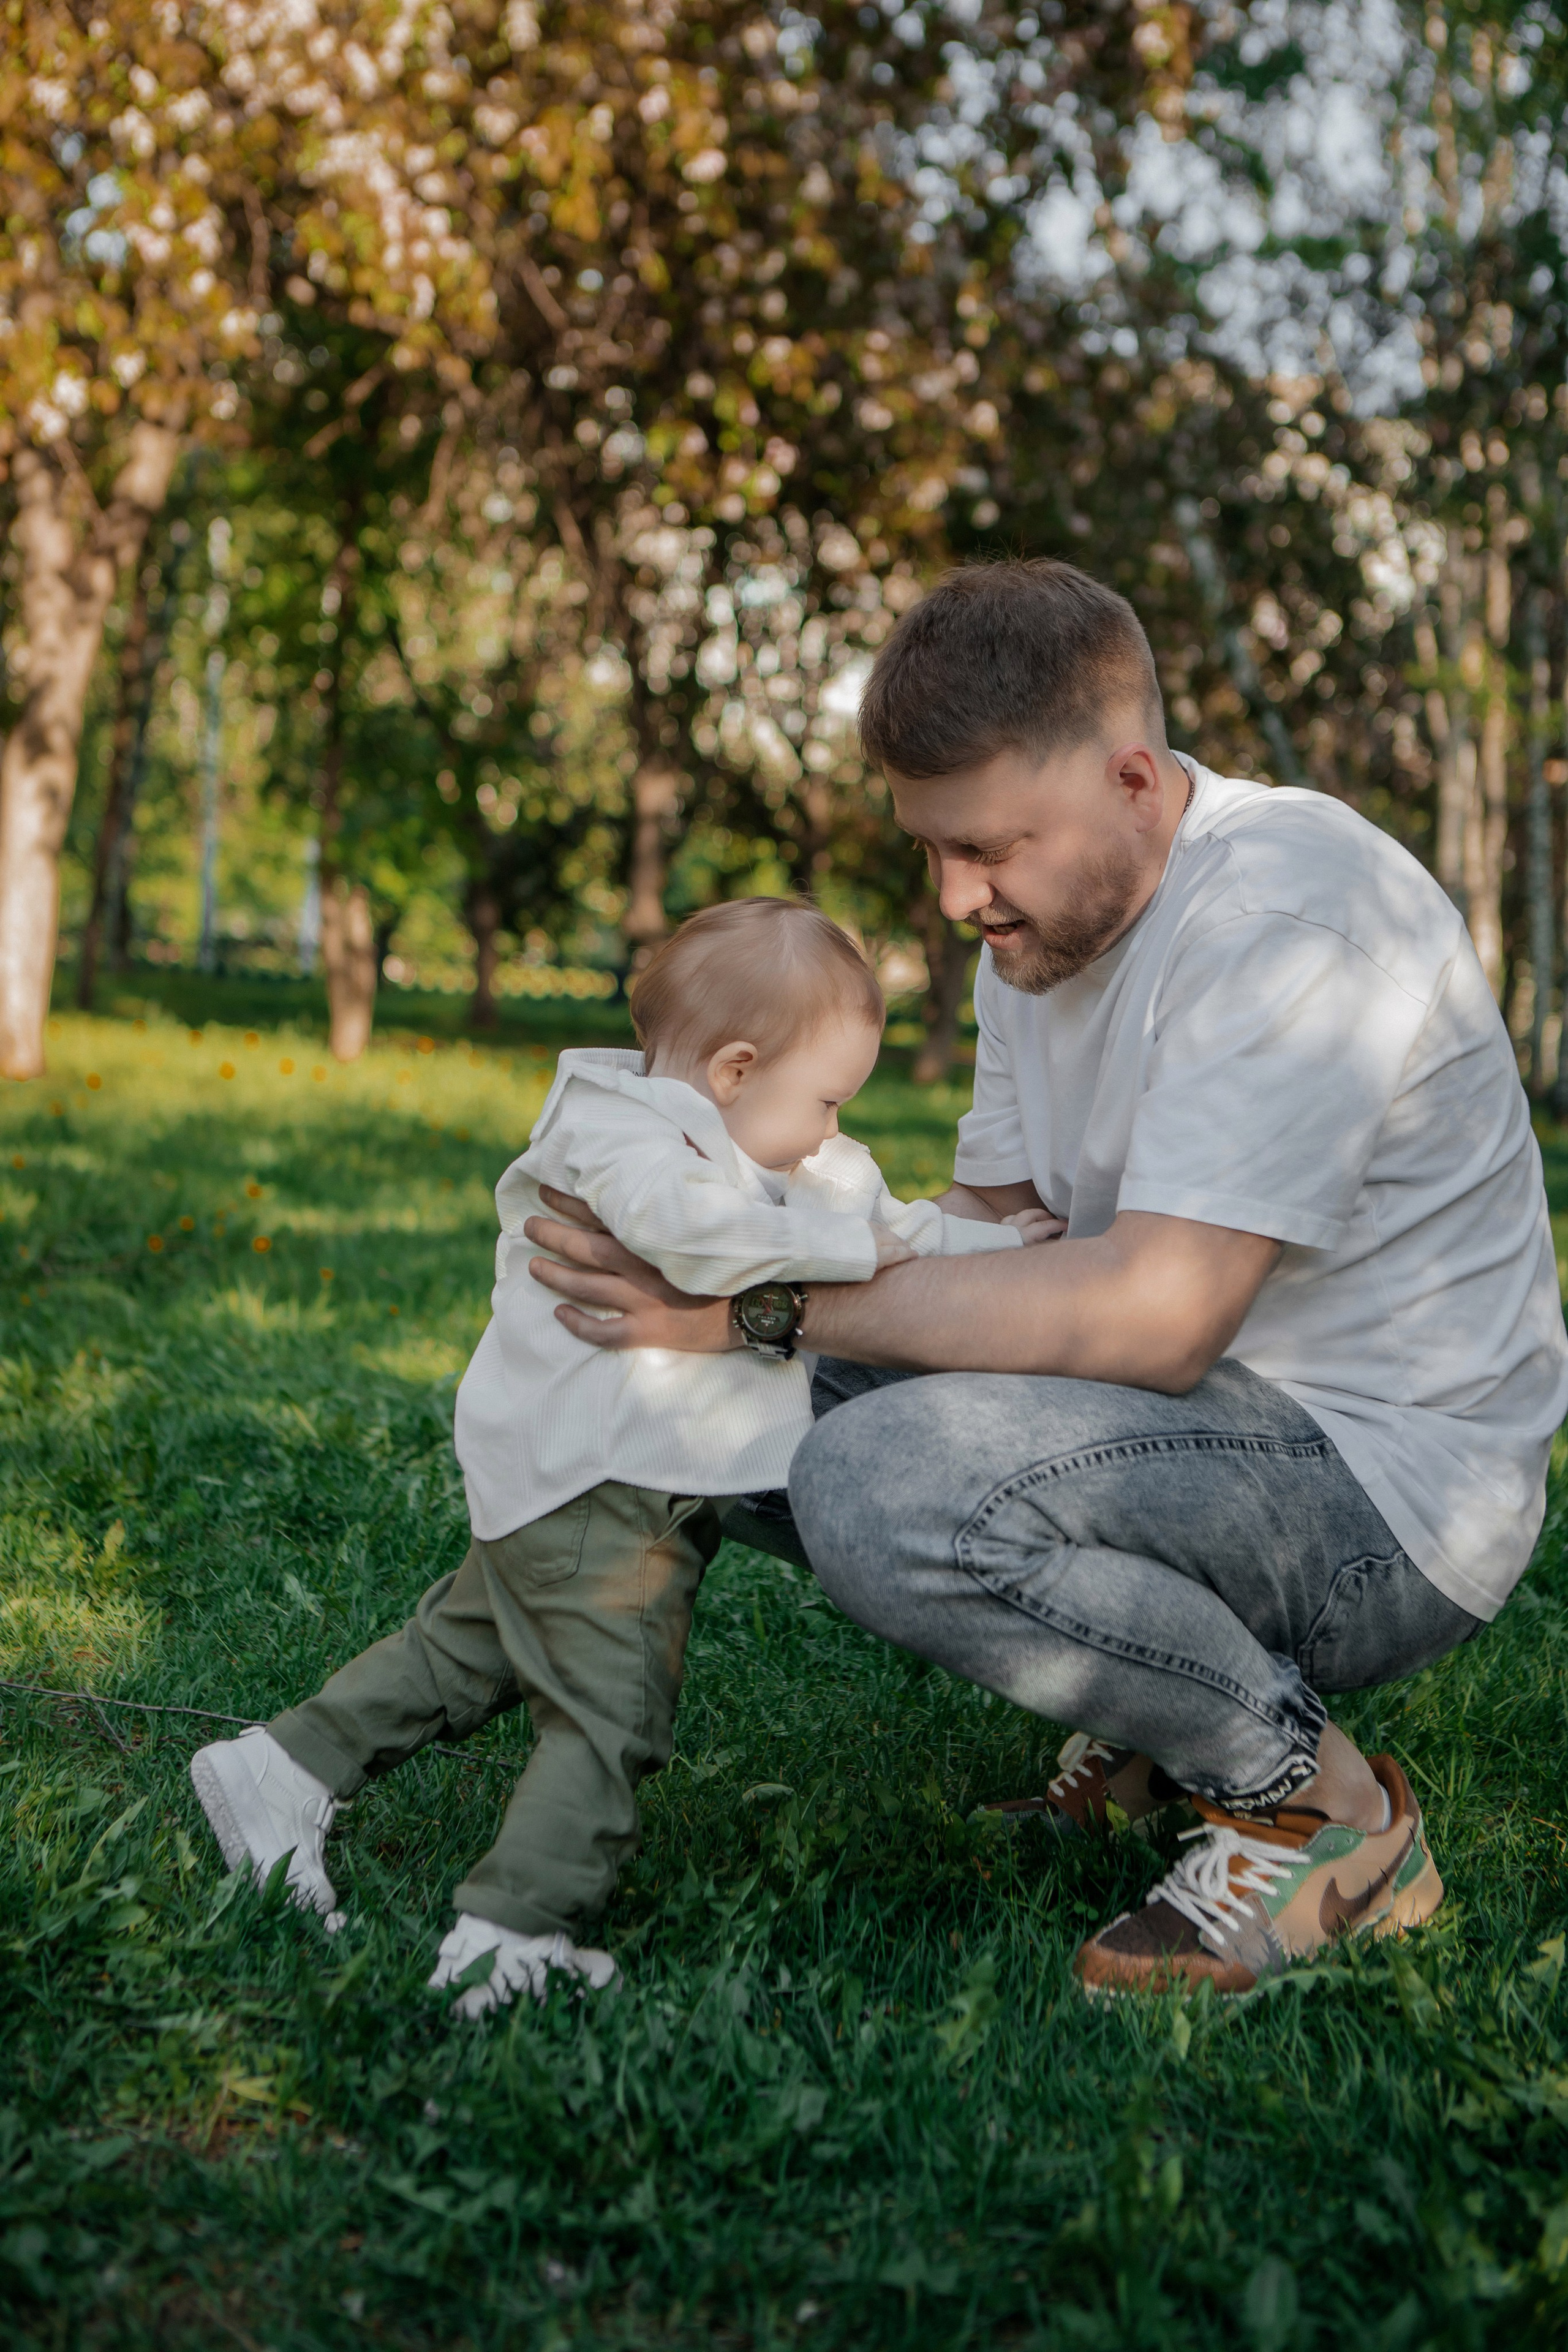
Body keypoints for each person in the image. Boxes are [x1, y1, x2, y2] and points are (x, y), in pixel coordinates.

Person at [523, 559, 1568, 1998]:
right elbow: (990, 1236)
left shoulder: (1288, 919)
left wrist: (757, 1308)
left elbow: (1156, 1312)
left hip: (1383, 1491)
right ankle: (1145, 1733)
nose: (955, 897)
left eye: (989, 847)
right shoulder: (1035, 934)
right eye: (931, 849)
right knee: (714, 1391)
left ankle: (1319, 1805)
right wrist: (712, 1251)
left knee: (876, 1483)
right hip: (1199, 1419)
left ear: (1133, 779)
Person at [189, 899, 1048, 2014]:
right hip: (600, 1490)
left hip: (607, 1484)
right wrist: (849, 1236)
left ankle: (277, 1770)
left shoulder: (764, 1153)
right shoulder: (621, 1137)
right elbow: (693, 1237)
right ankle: (513, 1936)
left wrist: (1000, 1248)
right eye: (828, 1099)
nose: (835, 1127)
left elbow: (895, 1223)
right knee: (609, 1715)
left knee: (470, 1656)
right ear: (737, 1069)